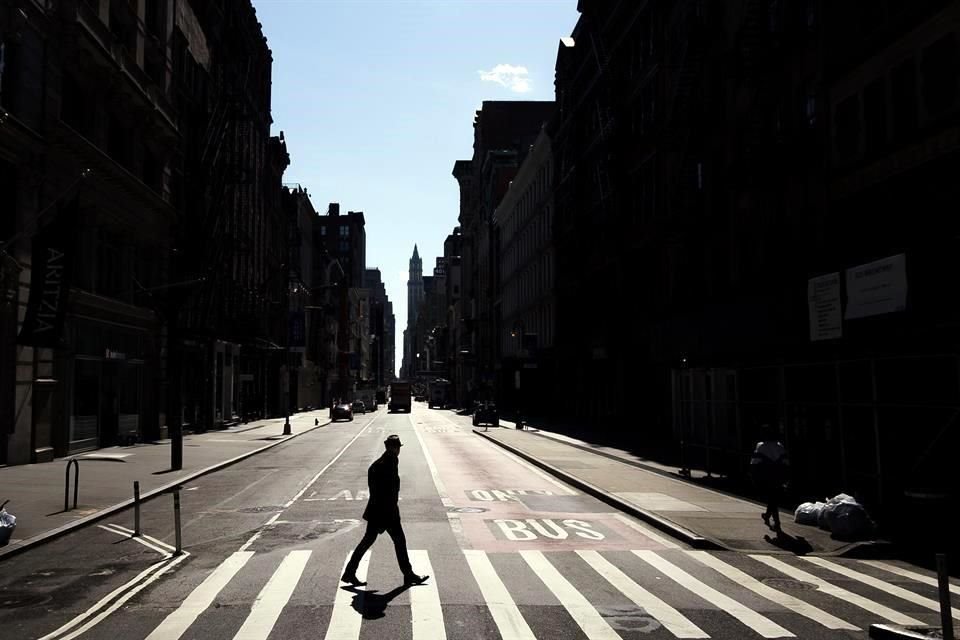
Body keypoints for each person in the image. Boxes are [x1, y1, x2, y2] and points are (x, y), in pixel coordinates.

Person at [341, 434, 427, 586]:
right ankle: (408, 575)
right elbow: (387, 490)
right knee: (398, 542)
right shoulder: (388, 462)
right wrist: (390, 509)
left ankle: (350, 572)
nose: (399, 450)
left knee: (369, 541)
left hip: (378, 510)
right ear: (392, 448)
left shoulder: (383, 462)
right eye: (397, 447)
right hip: (386, 512)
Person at [750, 424, 790, 533]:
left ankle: (777, 522)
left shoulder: (761, 446)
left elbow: (754, 463)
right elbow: (786, 463)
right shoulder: (780, 447)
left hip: (766, 475)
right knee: (773, 497)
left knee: (771, 498)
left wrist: (754, 476)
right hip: (778, 475)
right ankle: (768, 516)